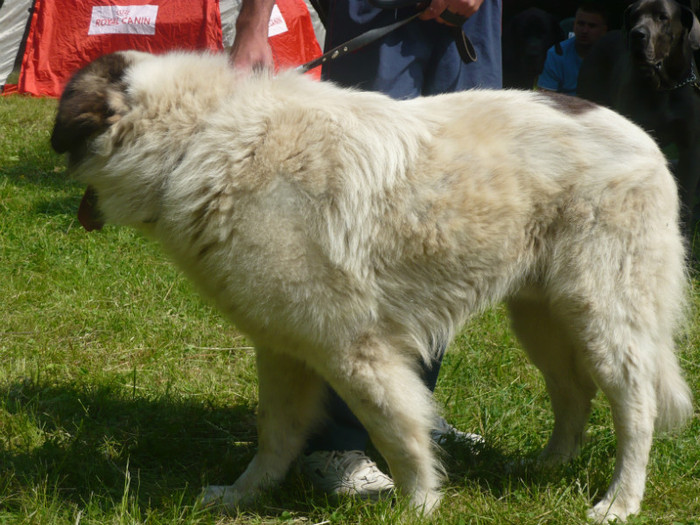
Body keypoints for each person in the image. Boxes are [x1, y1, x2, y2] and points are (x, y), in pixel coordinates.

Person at [229, 0, 502, 499]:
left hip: (470, 22)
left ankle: (407, 416)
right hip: (376, 11)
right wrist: (251, 22)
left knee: (448, 218)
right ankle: (336, 442)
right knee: (354, 221)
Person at [536, 1, 608, 95]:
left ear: (604, 30)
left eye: (592, 26)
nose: (584, 30)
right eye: (580, 24)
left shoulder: (612, 56)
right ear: (574, 25)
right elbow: (545, 98)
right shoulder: (556, 54)